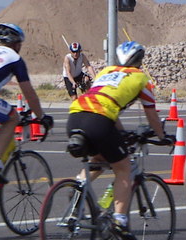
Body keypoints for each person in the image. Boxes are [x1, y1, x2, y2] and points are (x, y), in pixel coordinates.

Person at [66, 41, 175, 240]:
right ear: (139, 61)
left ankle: (78, 190)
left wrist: (121, 133)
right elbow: (151, 114)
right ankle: (120, 222)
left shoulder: (105, 72)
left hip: (74, 116)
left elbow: (107, 104)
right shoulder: (141, 78)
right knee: (124, 168)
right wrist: (162, 136)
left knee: (98, 160)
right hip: (99, 121)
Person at [0, 23, 54, 184]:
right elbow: (29, 93)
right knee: (12, 117)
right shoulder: (15, 59)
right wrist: (42, 116)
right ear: (16, 44)